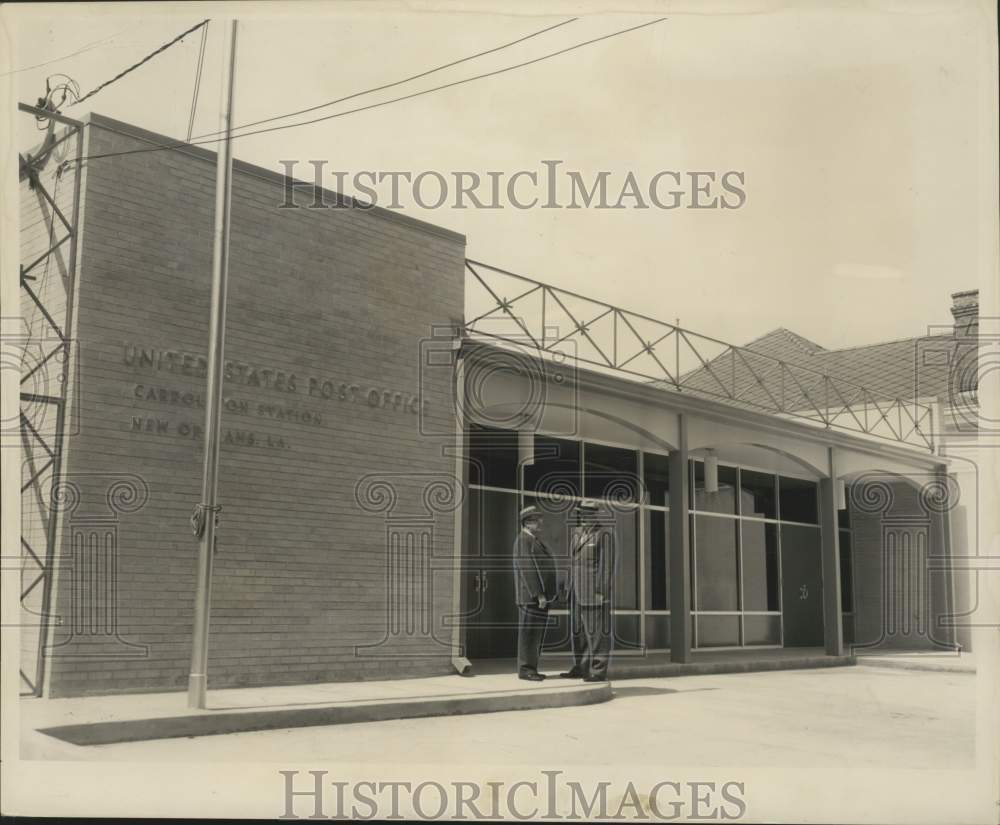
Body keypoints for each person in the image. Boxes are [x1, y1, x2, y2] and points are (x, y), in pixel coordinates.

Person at [561, 499, 615, 682]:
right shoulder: (576, 533)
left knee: (596, 633)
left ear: (595, 515)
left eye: (588, 514)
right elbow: (572, 563)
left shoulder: (604, 534)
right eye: (581, 513)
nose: (584, 517)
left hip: (593, 592)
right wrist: (568, 587)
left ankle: (598, 671)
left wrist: (601, 591)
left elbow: (606, 566)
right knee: (578, 632)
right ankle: (581, 667)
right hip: (576, 592)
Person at [512, 504, 558, 681]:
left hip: (540, 598)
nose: (540, 522)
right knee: (529, 634)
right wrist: (538, 594)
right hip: (532, 598)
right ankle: (526, 670)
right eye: (536, 520)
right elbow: (527, 568)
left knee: (535, 634)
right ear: (527, 522)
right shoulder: (523, 540)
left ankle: (532, 668)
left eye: (539, 519)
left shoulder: (533, 540)